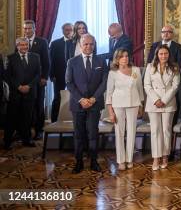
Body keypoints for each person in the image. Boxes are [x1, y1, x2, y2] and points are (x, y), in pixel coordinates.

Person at [65, 34, 108, 173]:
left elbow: (104, 82)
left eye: (91, 44)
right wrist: (81, 99)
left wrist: (94, 98)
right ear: (81, 45)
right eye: (86, 44)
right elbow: (69, 83)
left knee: (93, 133)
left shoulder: (101, 61)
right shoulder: (72, 62)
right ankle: (78, 162)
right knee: (78, 134)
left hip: (95, 104)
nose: (89, 47)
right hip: (78, 104)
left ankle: (94, 161)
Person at [106, 48, 144, 170]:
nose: (125, 58)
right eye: (122, 56)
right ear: (117, 59)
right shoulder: (113, 73)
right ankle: (121, 160)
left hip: (134, 103)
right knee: (119, 132)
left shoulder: (136, 70)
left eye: (127, 56)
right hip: (118, 105)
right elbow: (109, 93)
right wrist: (110, 112)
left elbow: (140, 89)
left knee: (132, 132)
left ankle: (129, 159)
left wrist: (141, 105)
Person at [144, 45, 180, 171]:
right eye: (161, 54)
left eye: (165, 53)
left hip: (168, 103)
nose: (163, 56)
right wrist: (157, 100)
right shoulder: (150, 66)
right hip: (153, 103)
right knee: (155, 131)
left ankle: (165, 156)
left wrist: (164, 100)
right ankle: (156, 158)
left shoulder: (174, 67)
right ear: (157, 55)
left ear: (168, 55)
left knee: (166, 130)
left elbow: (175, 86)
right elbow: (147, 86)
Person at [3, 37, 40, 149]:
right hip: (16, 93)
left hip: (30, 92)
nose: (24, 47)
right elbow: (7, 76)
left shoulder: (35, 57)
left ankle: (26, 139)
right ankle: (7, 141)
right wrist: (18, 86)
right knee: (11, 118)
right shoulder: (11, 58)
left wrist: (29, 86)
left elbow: (38, 74)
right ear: (17, 46)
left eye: (26, 45)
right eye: (21, 45)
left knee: (27, 118)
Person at [22, 20, 49, 140]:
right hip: (24, 81)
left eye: (29, 28)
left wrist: (44, 77)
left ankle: (39, 130)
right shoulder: (20, 42)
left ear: (34, 29)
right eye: (25, 28)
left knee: (38, 105)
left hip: (39, 80)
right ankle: (25, 130)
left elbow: (47, 62)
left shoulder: (42, 42)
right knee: (26, 106)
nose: (27, 30)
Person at [49, 23, 75, 122]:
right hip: (59, 75)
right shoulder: (55, 43)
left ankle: (72, 119)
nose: (68, 31)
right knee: (57, 98)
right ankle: (54, 121)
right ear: (62, 31)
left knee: (73, 97)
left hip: (74, 75)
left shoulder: (76, 42)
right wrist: (51, 75)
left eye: (70, 30)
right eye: (66, 30)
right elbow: (51, 60)